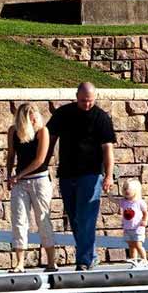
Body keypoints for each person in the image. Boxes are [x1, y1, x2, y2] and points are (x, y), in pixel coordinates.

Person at [46, 82, 116, 271]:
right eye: (83, 100)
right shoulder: (63, 114)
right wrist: (43, 165)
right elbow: (49, 140)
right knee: (75, 218)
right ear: (76, 96)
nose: (87, 104)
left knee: (87, 217)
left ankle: (84, 261)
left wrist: (109, 175)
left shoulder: (101, 118)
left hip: (91, 174)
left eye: (90, 101)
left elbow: (108, 149)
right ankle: (91, 255)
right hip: (68, 173)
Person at [6, 103, 57, 273]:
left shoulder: (43, 132)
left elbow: (40, 160)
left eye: (35, 115)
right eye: (30, 116)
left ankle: (51, 261)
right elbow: (11, 155)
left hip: (39, 180)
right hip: (19, 182)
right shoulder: (13, 131)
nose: (34, 119)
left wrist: (18, 175)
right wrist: (9, 175)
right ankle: (20, 263)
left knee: (42, 219)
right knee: (19, 220)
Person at [118, 179, 148, 265]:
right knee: (131, 246)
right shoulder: (124, 202)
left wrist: (144, 220)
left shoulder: (139, 202)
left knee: (138, 245)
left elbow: (145, 213)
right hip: (128, 228)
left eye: (128, 189)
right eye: (124, 189)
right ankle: (134, 261)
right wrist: (108, 193)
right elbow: (113, 200)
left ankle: (144, 259)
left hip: (137, 228)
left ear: (136, 190)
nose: (126, 191)